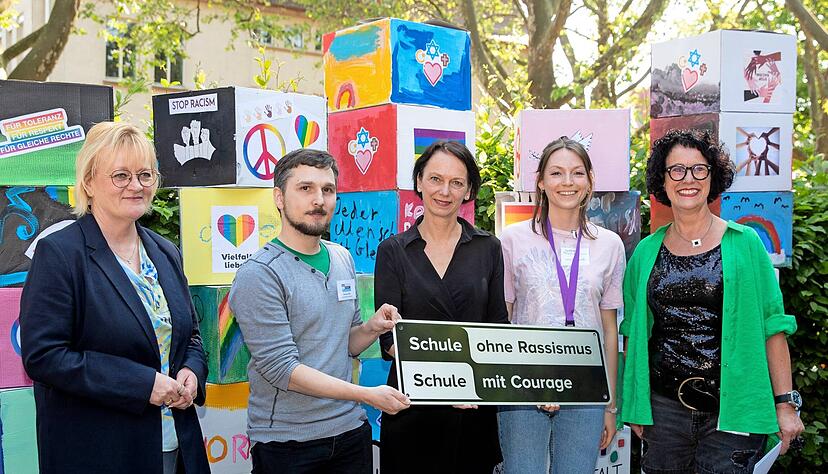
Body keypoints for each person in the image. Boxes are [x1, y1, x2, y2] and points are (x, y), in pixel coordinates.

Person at [19, 122, 210, 474]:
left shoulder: (165, 252)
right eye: (121, 175)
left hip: (174, 444)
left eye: (145, 175)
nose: (136, 186)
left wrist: (191, 372)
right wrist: (142, 384)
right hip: (100, 451)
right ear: (89, 182)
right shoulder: (60, 254)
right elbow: (44, 356)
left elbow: (191, 337)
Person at [620, 129, 805, 473]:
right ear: (662, 180)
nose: (687, 179)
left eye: (698, 169)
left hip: (733, 410)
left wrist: (784, 404)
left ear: (712, 176)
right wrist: (635, 404)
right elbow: (634, 335)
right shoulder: (645, 253)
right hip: (664, 412)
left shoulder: (746, 243)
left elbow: (772, 327)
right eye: (676, 169)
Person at [228, 149, 410, 474]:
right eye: (305, 188)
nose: (319, 200)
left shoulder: (342, 257)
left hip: (351, 434)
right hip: (287, 444)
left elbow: (347, 345)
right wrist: (366, 394)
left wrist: (372, 327)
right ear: (279, 197)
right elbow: (283, 370)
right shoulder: (260, 273)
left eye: (328, 190)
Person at [376, 141, 509, 473]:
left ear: (468, 191)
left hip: (473, 413)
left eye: (457, 182)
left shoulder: (488, 247)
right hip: (413, 411)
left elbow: (498, 329)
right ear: (419, 182)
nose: (444, 191)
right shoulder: (393, 251)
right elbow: (390, 342)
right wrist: (446, 381)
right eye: (435, 179)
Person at [497, 137, 625, 473]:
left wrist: (609, 405)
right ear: (540, 181)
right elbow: (504, 322)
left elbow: (609, 330)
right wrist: (527, 378)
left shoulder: (609, 245)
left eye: (577, 173)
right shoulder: (511, 240)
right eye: (556, 173)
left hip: (586, 388)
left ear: (589, 181)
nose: (567, 182)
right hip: (524, 388)